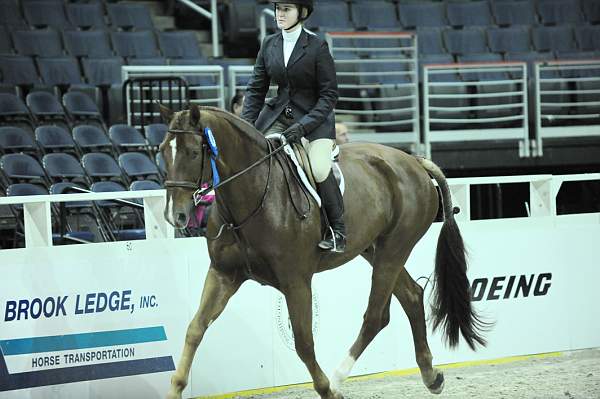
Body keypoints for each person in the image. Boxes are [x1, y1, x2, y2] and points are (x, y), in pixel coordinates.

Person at [241, 0, 346, 252]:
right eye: (278, 9)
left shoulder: (317, 46)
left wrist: (304, 126)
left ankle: (338, 230)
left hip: (314, 118)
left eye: (286, 9)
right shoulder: (269, 44)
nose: (280, 14)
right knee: (252, 160)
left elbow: (329, 96)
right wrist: (245, 127)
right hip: (277, 115)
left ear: (302, 12)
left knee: (320, 169)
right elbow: (256, 89)